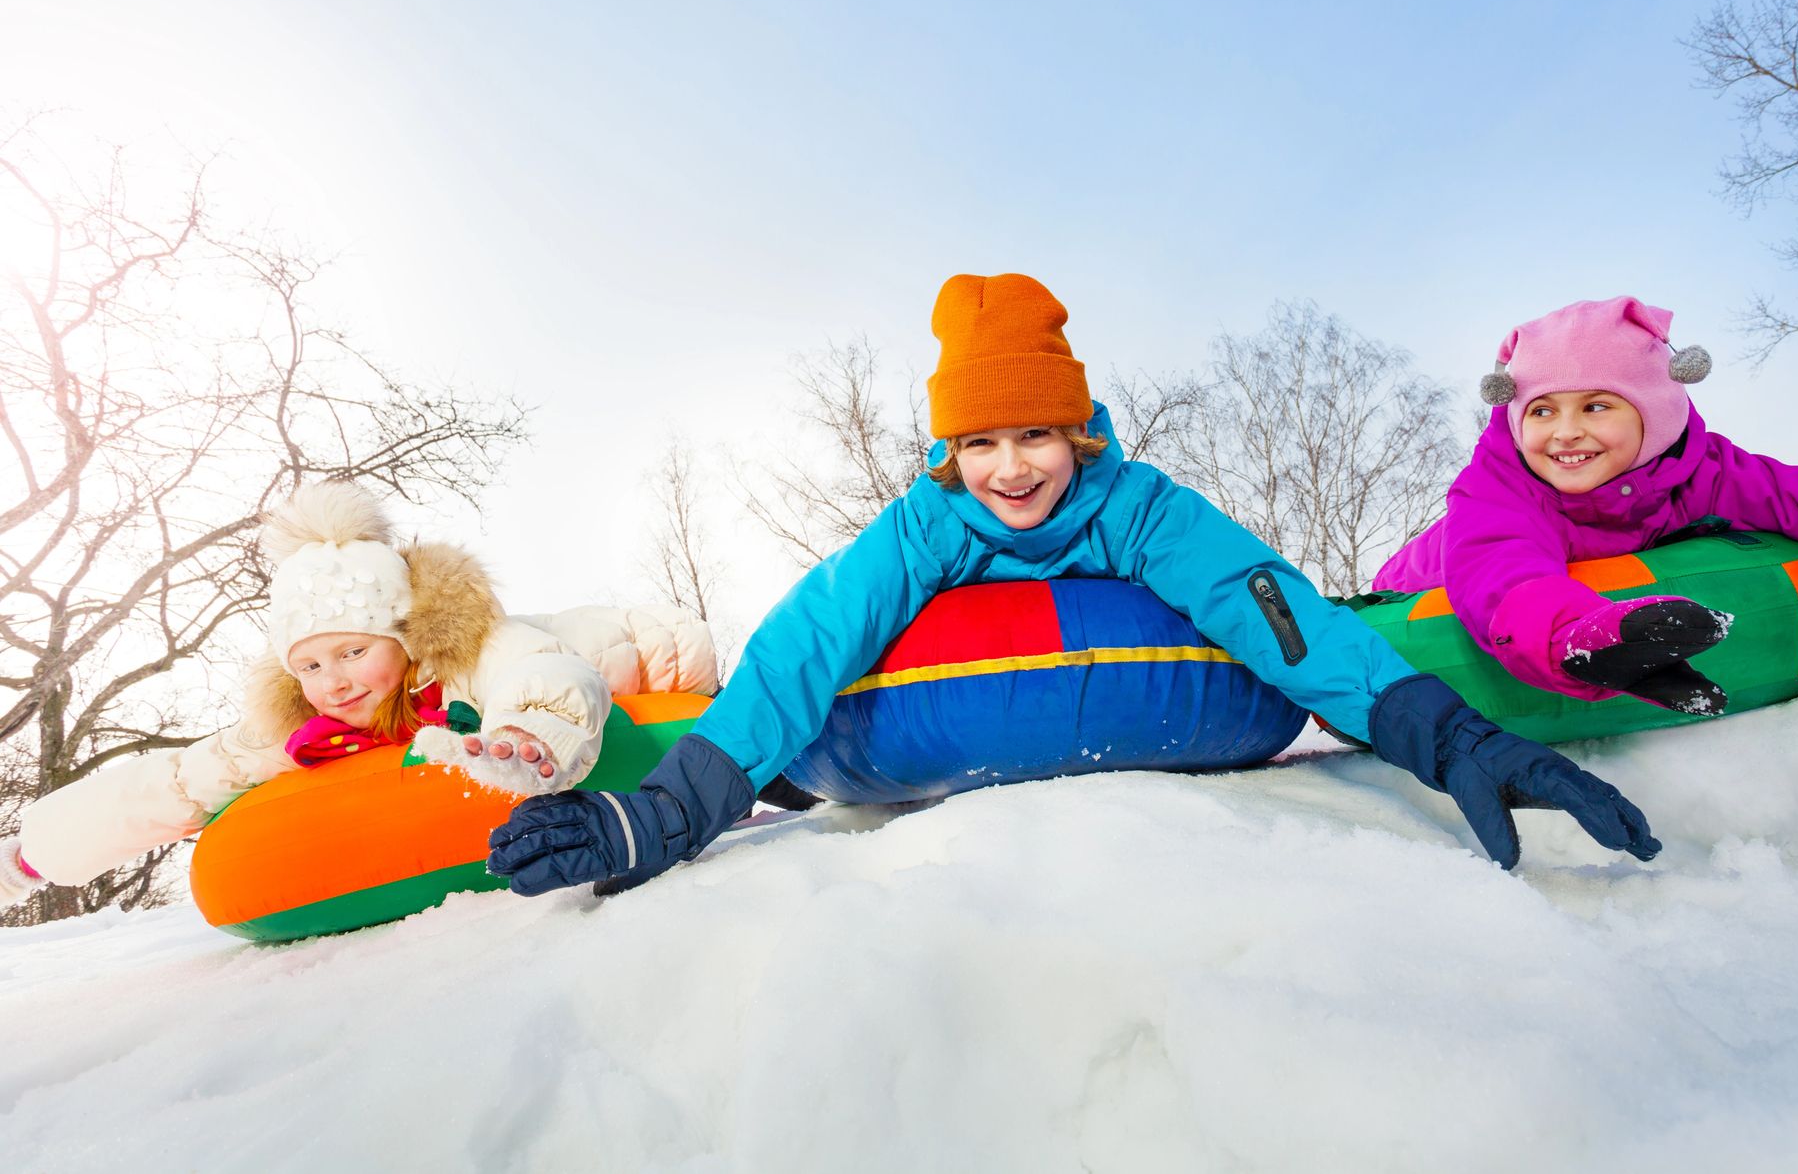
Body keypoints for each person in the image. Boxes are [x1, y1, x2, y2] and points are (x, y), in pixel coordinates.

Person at [487, 274, 1662, 897]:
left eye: (1038, 435)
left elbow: (1270, 611)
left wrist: (1447, 737)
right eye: (981, 442)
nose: (1011, 470)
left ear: (1081, 431)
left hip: (1206, 673)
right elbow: (810, 640)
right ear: (948, 451)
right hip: (869, 728)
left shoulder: (1137, 507)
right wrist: (666, 813)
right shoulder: (921, 527)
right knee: (817, 668)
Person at [0, 480, 718, 910]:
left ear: (404, 643)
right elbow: (180, 779)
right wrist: (29, 857)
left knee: (653, 662)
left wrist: (528, 737)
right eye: (309, 664)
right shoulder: (304, 715)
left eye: (352, 651)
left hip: (645, 653)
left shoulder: (470, 651)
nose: (333, 682)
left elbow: (551, 673)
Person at [1373, 295, 1798, 714]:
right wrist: (1578, 638)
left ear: (1657, 410)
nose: (1563, 433)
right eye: (1541, 410)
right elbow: (1498, 564)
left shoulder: (1705, 471)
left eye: (1596, 406)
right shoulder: (1499, 484)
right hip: (1416, 583)